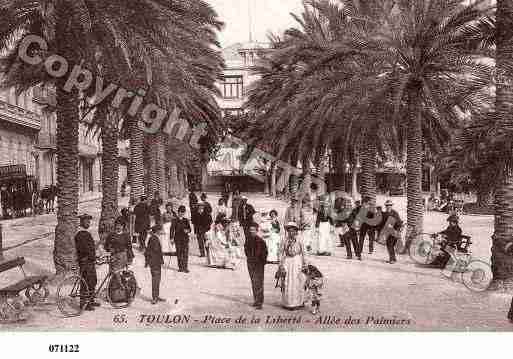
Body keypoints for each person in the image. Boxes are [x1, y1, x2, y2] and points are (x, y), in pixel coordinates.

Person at [74, 213, 100, 311]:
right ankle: (84, 303)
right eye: (86, 221)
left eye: (89, 221)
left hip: (89, 261)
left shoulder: (85, 233)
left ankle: (91, 300)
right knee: (86, 282)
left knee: (92, 280)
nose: (88, 223)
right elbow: (84, 249)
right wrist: (93, 255)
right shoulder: (81, 234)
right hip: (85, 261)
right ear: (81, 222)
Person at [279, 222, 307, 310]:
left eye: (293, 231)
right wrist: (281, 264)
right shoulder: (284, 240)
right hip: (287, 261)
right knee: (287, 281)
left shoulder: (300, 240)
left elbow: (304, 253)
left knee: (297, 282)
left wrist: (305, 264)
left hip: (297, 261)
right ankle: (288, 303)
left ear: (296, 231)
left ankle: (298, 302)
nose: (291, 233)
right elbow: (280, 252)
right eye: (289, 231)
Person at [244, 222, 268, 310]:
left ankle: (259, 302)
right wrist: (250, 259)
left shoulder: (261, 241)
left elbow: (265, 253)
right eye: (250, 230)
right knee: (254, 282)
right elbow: (246, 250)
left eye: (253, 230)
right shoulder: (248, 240)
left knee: (259, 283)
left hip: (259, 265)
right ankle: (256, 300)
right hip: (250, 264)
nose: (251, 231)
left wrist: (261, 262)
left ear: (257, 231)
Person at [145, 224, 166, 304]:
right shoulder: (153, 239)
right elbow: (153, 252)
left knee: (157, 280)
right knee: (155, 280)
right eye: (161, 230)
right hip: (154, 263)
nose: (162, 231)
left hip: (156, 262)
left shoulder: (155, 238)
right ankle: (154, 297)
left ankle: (156, 296)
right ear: (157, 231)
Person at [378, 200, 403, 264]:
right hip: (387, 233)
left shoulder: (395, 213)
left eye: (390, 205)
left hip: (394, 231)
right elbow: (381, 223)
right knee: (390, 245)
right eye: (387, 205)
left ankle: (392, 259)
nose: (388, 206)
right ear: (385, 206)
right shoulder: (384, 214)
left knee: (390, 245)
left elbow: (399, 222)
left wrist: (396, 226)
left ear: (392, 206)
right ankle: (393, 259)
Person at [171, 205, 192, 272]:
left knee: (185, 253)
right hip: (177, 239)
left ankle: (185, 267)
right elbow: (172, 229)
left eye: (183, 212)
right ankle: (180, 267)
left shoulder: (186, 220)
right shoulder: (174, 220)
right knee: (179, 253)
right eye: (180, 212)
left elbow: (190, 229)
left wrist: (187, 230)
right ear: (178, 212)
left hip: (185, 239)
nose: (181, 213)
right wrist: (171, 238)